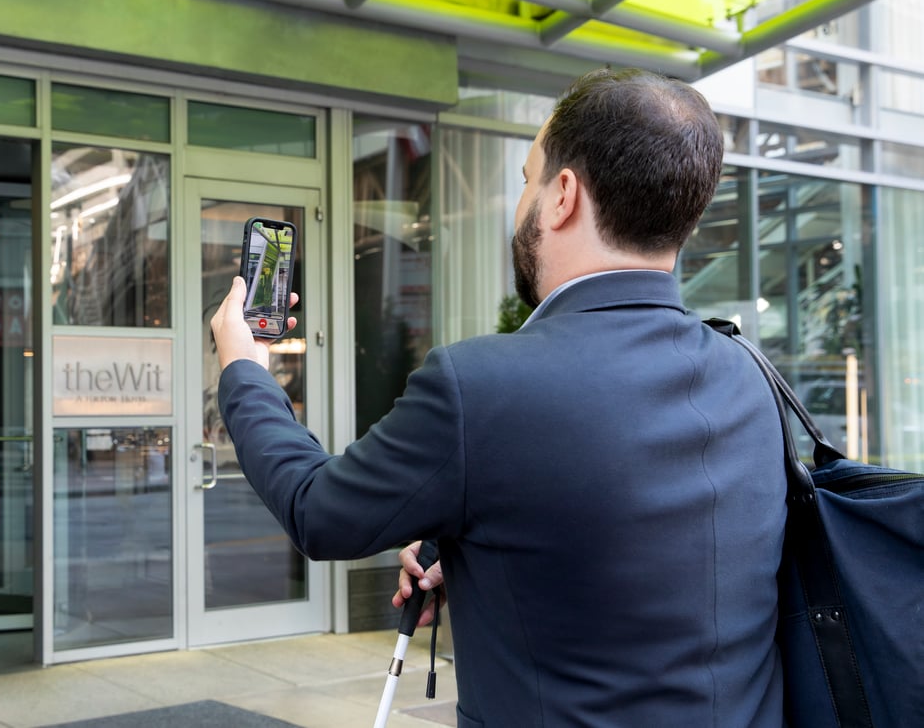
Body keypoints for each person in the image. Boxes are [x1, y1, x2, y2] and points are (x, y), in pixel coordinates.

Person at [209, 67, 787, 727]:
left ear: (563, 195)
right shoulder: (751, 377)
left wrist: (244, 370)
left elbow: (319, 511)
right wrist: (495, 556)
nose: (522, 204)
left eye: (526, 180)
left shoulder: (480, 386)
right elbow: (667, 563)